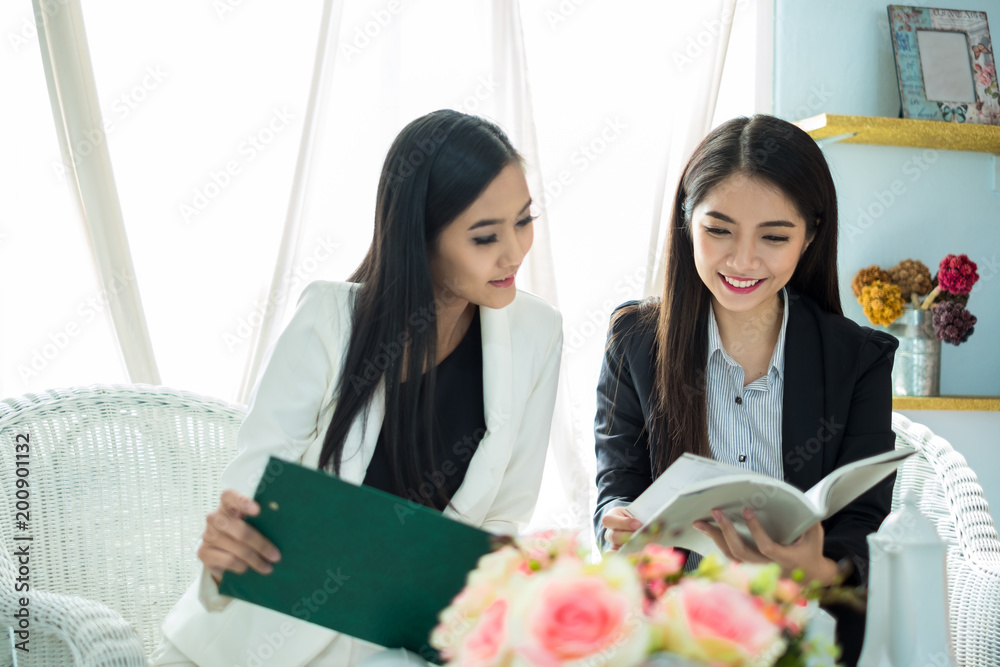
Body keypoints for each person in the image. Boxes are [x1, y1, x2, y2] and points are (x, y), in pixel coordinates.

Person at [152, 110, 563, 666]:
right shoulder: (329, 319)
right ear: (421, 235)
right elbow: (257, 487)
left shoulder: (537, 333)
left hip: (411, 644)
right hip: (273, 636)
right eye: (485, 236)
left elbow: (501, 522)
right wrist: (232, 537)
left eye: (524, 220)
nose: (514, 253)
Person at [593, 114, 897, 666]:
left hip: (806, 634)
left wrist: (818, 569)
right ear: (688, 222)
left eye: (774, 237)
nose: (742, 260)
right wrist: (616, 523)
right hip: (673, 637)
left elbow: (863, 527)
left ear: (809, 237)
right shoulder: (634, 342)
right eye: (719, 230)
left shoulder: (860, 360)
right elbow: (617, 487)